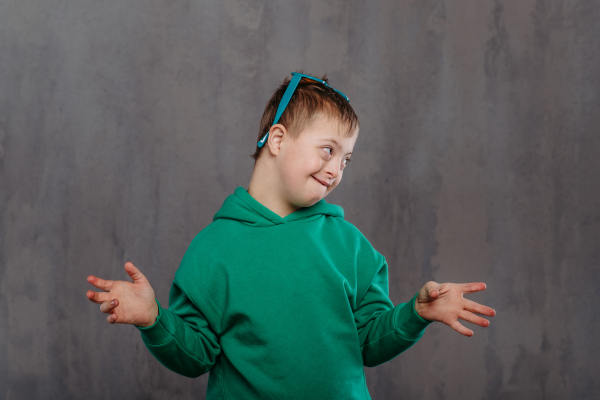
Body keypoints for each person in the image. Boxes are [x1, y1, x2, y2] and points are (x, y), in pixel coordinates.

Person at [86, 70, 496, 399]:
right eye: (328, 149)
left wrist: (416, 313)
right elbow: (196, 355)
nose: (337, 169)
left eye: (347, 158)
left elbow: (369, 342)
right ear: (278, 139)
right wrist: (154, 319)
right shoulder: (213, 250)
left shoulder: (349, 245)